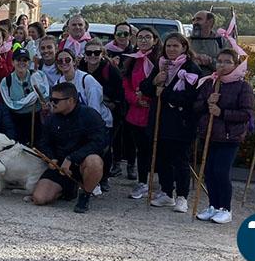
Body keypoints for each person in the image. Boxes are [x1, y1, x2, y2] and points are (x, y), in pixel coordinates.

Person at [140, 32, 201, 213]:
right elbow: (145, 88)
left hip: (181, 123)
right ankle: (167, 192)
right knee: (162, 159)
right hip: (160, 121)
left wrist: (164, 92)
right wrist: (154, 82)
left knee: (180, 160)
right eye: (168, 46)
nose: (171, 49)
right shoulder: (161, 66)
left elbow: (191, 97)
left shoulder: (191, 69)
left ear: (184, 48)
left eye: (175, 46)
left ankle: (182, 196)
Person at [192, 48, 254, 224]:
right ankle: (213, 205)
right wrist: (207, 102)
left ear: (236, 65)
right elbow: (196, 107)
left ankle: (225, 208)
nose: (222, 65)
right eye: (219, 61)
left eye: (228, 62)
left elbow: (246, 114)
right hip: (210, 135)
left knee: (221, 171)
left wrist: (221, 112)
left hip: (229, 136)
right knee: (209, 172)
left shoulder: (243, 86)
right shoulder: (209, 83)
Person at [31, 82, 107, 213]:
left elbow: (100, 142)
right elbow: (43, 142)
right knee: (39, 198)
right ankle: (68, 189)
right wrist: (51, 158)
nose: (52, 103)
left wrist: (72, 158)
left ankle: (85, 195)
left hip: (82, 163)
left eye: (56, 100)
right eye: (51, 99)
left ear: (70, 100)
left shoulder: (90, 115)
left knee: (95, 162)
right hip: (59, 167)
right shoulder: (51, 119)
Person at [78, 39, 124, 186]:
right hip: (87, 113)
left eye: (96, 52)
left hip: (110, 114)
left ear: (102, 54)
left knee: (105, 147)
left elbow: (119, 97)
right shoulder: (81, 67)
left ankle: (104, 178)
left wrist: (107, 102)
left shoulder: (111, 71)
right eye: (89, 52)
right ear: (84, 55)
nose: (93, 55)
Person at [123, 27, 160, 199]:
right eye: (140, 37)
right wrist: (135, 99)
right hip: (136, 112)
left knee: (157, 149)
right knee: (142, 150)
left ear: (155, 40)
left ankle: (164, 184)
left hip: (153, 112)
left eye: (148, 37)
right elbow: (126, 83)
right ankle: (143, 182)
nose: (144, 40)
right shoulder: (132, 60)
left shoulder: (159, 60)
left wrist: (149, 99)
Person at [0, 48, 49, 146]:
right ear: (13, 62)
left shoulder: (38, 76)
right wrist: (32, 98)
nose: (22, 63)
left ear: (29, 62)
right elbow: (11, 105)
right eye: (18, 60)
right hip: (16, 121)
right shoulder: (6, 82)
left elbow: (45, 96)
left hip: (36, 119)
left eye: (25, 60)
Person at [190, 11, 225, 75]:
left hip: (214, 82)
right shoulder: (186, 41)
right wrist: (192, 60)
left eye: (198, 19)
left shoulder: (222, 42)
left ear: (210, 22)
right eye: (193, 20)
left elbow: (227, 65)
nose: (195, 22)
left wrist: (210, 61)